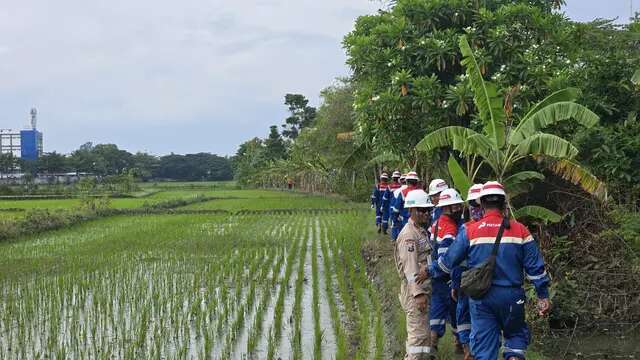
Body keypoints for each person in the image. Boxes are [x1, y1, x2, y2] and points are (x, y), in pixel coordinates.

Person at [427, 181, 551, 360]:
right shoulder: (521, 231)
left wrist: (429, 270)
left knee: (484, 350)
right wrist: (543, 295)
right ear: (504, 204)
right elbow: (535, 269)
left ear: (481, 204)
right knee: (515, 337)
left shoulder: (470, 231)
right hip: (512, 297)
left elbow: (448, 262)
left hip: (481, 299)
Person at [394, 189, 435, 359]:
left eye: (428, 210)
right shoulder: (409, 235)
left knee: (424, 339)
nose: (426, 213)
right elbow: (410, 267)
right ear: (411, 210)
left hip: (424, 289)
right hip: (415, 293)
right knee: (417, 340)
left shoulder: (420, 230)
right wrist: (418, 293)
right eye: (422, 210)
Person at [427, 188, 464, 356]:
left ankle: (432, 348)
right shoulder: (450, 228)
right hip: (447, 280)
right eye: (454, 206)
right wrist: (453, 280)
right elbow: (448, 258)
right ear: (445, 208)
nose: (458, 209)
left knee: (436, 314)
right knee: (458, 316)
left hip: (436, 279)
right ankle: (460, 347)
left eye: (458, 206)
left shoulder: (436, 224)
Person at [450, 183, 484, 360]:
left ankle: (468, 350)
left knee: (466, 315)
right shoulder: (500, 228)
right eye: (473, 204)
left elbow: (455, 260)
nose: (475, 209)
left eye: (477, 205)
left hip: (469, 283)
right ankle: (469, 351)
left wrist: (456, 284)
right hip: (479, 285)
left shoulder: (466, 230)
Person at [381, 171, 403, 235]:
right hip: (401, 207)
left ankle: (394, 238)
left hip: (392, 207)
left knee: (393, 222)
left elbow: (385, 198)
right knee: (400, 221)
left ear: (393, 178)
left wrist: (382, 205)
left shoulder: (389, 186)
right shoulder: (401, 187)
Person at [390, 174, 407, 241]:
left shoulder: (398, 191)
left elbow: (395, 206)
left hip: (402, 216)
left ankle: (396, 239)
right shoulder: (418, 191)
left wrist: (394, 218)